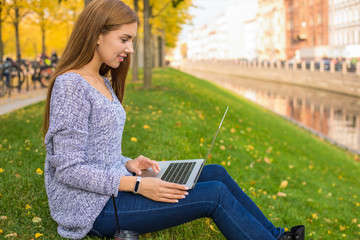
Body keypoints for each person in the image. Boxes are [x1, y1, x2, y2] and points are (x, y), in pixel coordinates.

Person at [42, 0, 305, 239]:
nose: (130, 49)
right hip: (92, 210)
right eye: (124, 39)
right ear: (98, 34)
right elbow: (68, 169)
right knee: (214, 195)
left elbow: (97, 153)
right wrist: (138, 185)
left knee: (215, 173)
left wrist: (128, 163)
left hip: (110, 191)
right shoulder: (71, 86)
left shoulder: (102, 80)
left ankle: (279, 236)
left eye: (131, 40)